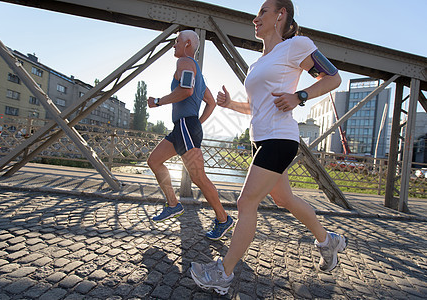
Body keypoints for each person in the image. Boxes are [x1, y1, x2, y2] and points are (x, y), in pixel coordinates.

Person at [190, 0, 347, 295]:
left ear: (281, 15)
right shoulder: (258, 62)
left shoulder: (297, 46)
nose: (255, 18)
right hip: (260, 138)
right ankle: (329, 241)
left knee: (246, 202)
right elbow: (255, 106)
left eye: (263, 11)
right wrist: (229, 104)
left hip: (280, 138)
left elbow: (333, 77)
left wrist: (300, 95)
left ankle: (223, 274)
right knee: (284, 199)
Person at [146, 30, 234, 240]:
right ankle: (173, 204)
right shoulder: (199, 74)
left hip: (185, 127)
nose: (174, 45)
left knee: (198, 177)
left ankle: (223, 219)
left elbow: (185, 90)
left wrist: (158, 102)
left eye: (176, 41)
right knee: (154, 161)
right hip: (183, 128)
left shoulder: (184, 62)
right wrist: (196, 123)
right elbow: (210, 103)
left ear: (187, 44)